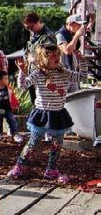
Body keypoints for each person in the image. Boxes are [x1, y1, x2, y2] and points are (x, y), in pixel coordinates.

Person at [7, 44, 87, 184]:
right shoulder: (38, 74)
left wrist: (82, 61)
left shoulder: (64, 72)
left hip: (58, 114)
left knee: (57, 144)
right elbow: (23, 86)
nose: (57, 58)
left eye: (58, 55)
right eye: (53, 56)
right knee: (34, 142)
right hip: (42, 114)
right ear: (44, 59)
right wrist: (22, 72)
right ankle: (19, 166)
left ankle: (51, 169)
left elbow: (82, 77)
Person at [22, 12, 57, 103]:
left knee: (43, 103)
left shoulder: (47, 37)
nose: (29, 30)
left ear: (38, 22)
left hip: (44, 76)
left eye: (31, 27)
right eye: (27, 28)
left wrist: (33, 60)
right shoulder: (34, 35)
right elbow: (28, 51)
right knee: (35, 103)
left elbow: (51, 59)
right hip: (32, 74)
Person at [0, 69, 23, 143]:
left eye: (7, 78)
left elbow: (12, 97)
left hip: (7, 108)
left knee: (12, 120)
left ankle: (15, 133)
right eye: (5, 79)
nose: (7, 80)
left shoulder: (8, 88)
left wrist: (16, 104)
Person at [56, 14, 87, 92]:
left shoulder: (72, 34)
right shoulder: (60, 34)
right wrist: (76, 36)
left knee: (75, 97)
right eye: (78, 24)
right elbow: (67, 51)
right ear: (70, 24)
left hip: (72, 71)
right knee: (64, 97)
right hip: (63, 73)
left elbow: (74, 50)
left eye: (80, 24)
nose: (80, 27)